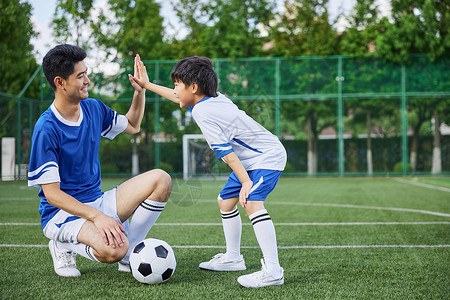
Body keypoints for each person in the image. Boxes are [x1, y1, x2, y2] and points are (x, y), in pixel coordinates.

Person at [131, 56, 286, 288]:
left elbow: (225, 153)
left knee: (252, 202)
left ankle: (273, 271)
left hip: (267, 156)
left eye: (177, 84)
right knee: (225, 202)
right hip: (250, 160)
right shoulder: (213, 99)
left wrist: (245, 182)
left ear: (193, 88)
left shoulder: (202, 112)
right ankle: (234, 258)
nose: (175, 90)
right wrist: (147, 84)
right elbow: (178, 97)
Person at [28, 44, 172, 277]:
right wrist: (97, 217)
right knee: (112, 250)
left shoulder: (93, 108)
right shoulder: (47, 128)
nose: (87, 81)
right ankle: (62, 244)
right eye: (81, 76)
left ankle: (128, 256)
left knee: (161, 180)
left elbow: (133, 125)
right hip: (61, 215)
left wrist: (140, 91)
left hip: (98, 201)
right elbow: (52, 194)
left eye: (87, 74)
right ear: (60, 82)